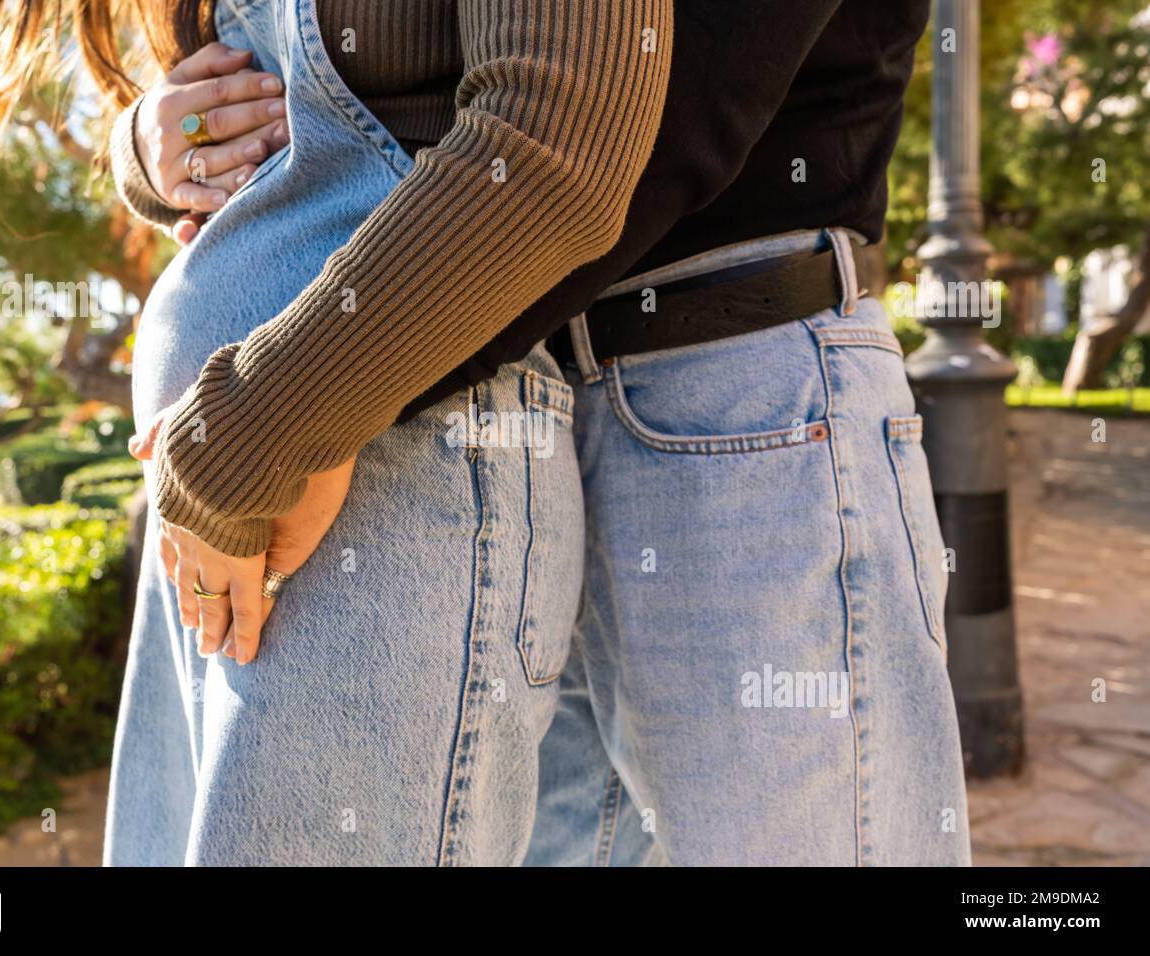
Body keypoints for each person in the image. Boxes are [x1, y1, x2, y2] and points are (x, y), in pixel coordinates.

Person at [116, 0, 973, 866]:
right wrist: (152, 149)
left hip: (726, 386)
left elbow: (581, 134)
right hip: (495, 390)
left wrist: (306, 408)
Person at [0, 0, 671, 865]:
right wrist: (145, 148)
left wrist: (260, 434)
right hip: (227, 513)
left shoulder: (265, 445)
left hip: (377, 478)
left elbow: (560, 146)